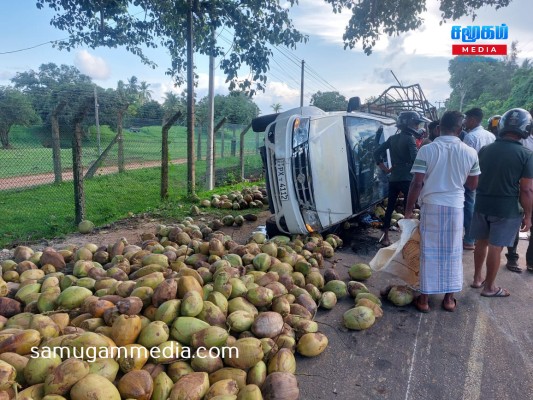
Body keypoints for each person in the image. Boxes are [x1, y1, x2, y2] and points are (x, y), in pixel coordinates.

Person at [405, 111, 480, 312]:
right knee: (453, 253)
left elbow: (417, 183)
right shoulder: (470, 152)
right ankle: (448, 299)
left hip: (431, 206)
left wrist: (408, 210)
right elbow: (472, 185)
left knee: (429, 252)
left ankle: (424, 300)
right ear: (460, 129)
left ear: (439, 128)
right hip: (456, 207)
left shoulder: (427, 150)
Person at [470, 108, 533, 297]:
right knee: (496, 247)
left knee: (481, 242)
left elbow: (476, 177)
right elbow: (527, 189)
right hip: (506, 209)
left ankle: (476, 279)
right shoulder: (526, 154)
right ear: (526, 128)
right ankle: (490, 287)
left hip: (481, 204)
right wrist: (528, 215)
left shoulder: (485, 150)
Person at [373, 110, 429, 247]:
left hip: (394, 177)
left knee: (390, 207)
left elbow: (376, 152)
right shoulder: (409, 139)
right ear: (408, 124)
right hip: (406, 178)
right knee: (407, 210)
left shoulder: (393, 139)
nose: (417, 127)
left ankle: (385, 236)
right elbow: (416, 159)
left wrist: (384, 168)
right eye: (416, 124)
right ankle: (405, 239)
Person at [462, 107, 496, 250]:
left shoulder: (470, 137)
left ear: (473, 120)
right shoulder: (491, 136)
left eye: (466, 119)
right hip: (487, 177)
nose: (464, 122)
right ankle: (479, 237)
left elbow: (465, 160)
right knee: (479, 207)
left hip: (472, 176)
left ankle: (470, 238)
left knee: (469, 206)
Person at [505, 108, 533, 272]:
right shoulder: (521, 139)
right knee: (516, 222)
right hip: (518, 187)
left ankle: (531, 261)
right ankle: (512, 258)